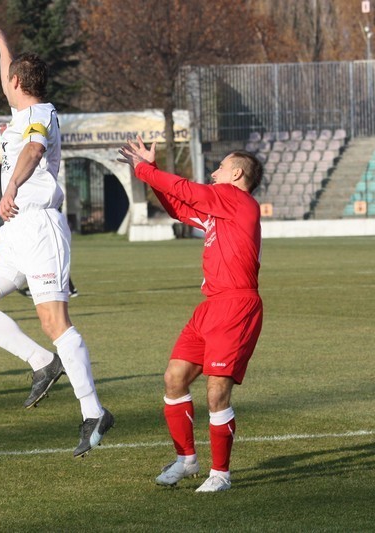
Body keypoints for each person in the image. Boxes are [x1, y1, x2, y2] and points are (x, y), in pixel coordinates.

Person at [0, 26, 113, 458]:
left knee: (54, 321)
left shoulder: (41, 113)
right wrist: (3, 44)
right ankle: (43, 362)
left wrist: (9, 190)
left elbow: (33, 152)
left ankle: (93, 412)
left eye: (10, 78)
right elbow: (11, 80)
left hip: (41, 227)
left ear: (19, 85)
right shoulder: (21, 110)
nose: (6, 83)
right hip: (15, 234)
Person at [118, 137, 264, 493]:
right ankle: (186, 460)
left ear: (237, 173)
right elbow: (178, 207)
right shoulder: (221, 209)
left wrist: (145, 169)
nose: (213, 173)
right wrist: (148, 178)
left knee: (216, 393)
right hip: (210, 306)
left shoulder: (237, 200)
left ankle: (221, 474)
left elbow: (186, 189)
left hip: (235, 307)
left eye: (220, 167)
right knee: (174, 378)